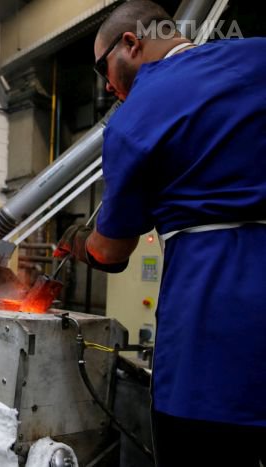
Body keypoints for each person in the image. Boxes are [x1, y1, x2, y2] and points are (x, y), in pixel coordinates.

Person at [53, 1, 266, 465]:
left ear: (131, 42)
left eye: (104, 69)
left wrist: (75, 240)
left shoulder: (133, 119)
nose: (108, 86)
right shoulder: (258, 56)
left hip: (210, 337)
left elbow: (110, 253)